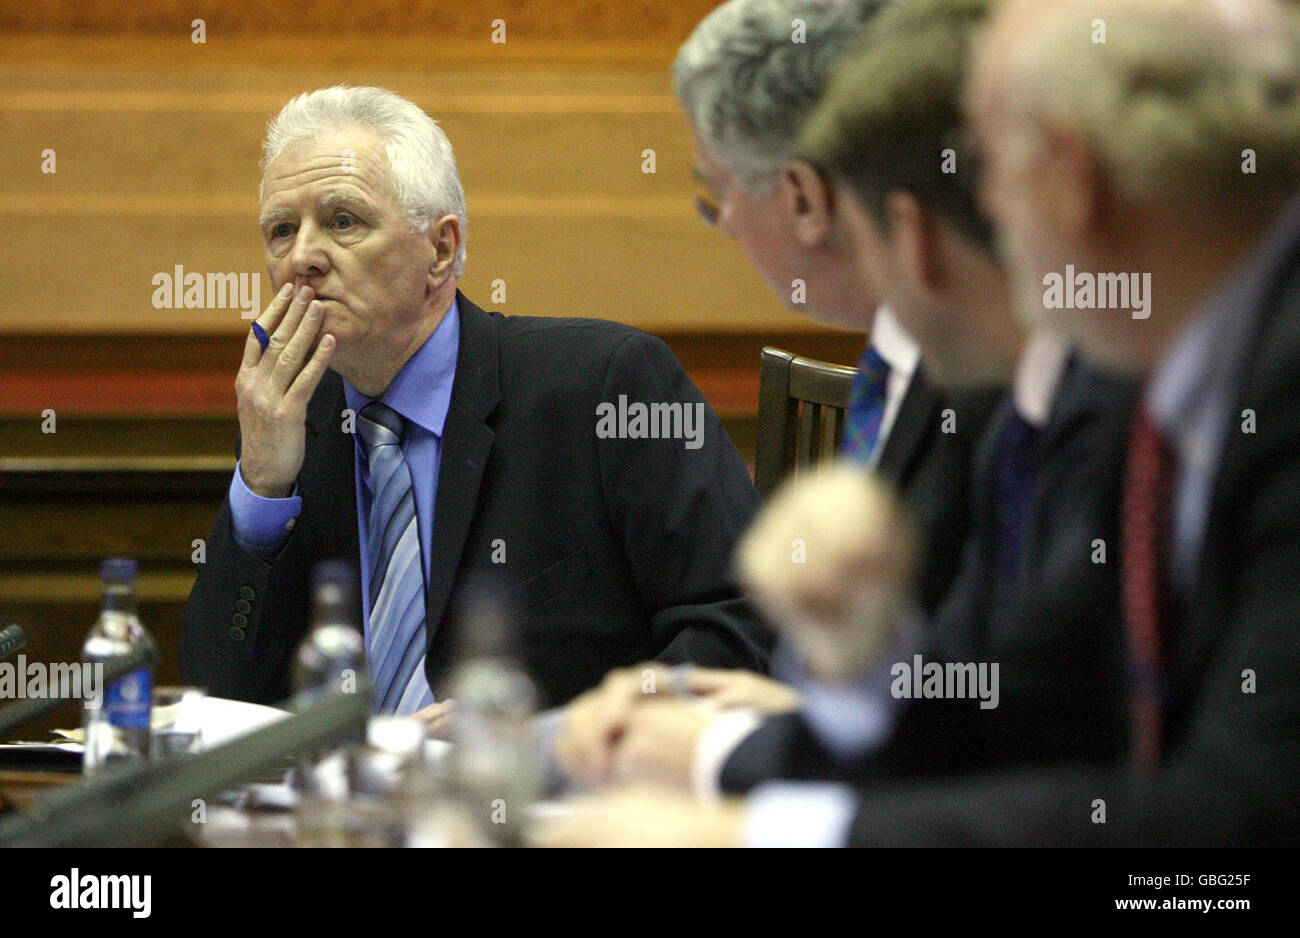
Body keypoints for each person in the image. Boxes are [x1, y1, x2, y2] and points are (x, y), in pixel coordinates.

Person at [539, 0, 1300, 846]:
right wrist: (856, 664)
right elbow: (1040, 704)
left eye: (989, 170)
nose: (974, 214)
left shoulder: (1223, 382)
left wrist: (755, 837)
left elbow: (1242, 815)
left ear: (1069, 182)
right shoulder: (1167, 376)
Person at [180, 86, 774, 717]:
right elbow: (219, 697)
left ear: (439, 249)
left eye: (342, 221)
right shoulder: (291, 424)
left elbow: (740, 628)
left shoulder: (604, 386)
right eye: (281, 230)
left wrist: (543, 742)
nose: (302, 258)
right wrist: (263, 489)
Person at [556, 0, 1003, 786]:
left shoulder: (990, 376)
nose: (722, 224)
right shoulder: (905, 364)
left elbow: (1010, 714)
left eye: (716, 192)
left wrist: (724, 754)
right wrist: (796, 712)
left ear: (803, 196)